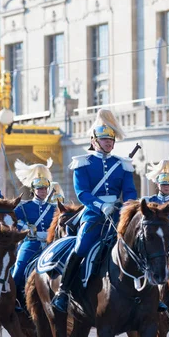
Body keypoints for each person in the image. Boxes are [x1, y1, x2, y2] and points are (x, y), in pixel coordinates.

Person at [52, 109, 137, 313]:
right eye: (105, 139)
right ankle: (63, 291)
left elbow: (130, 191)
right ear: (94, 141)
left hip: (117, 214)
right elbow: (83, 193)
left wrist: (129, 207)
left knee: (138, 245)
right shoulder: (83, 163)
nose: (109, 143)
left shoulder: (121, 164)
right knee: (82, 246)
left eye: (111, 139)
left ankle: (149, 292)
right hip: (94, 213)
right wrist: (101, 205)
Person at [12, 158, 57, 309]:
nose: (42, 191)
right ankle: (15, 300)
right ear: (33, 190)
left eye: (45, 188)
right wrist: (25, 227)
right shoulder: (24, 206)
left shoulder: (53, 208)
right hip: (31, 243)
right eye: (39, 189)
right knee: (18, 270)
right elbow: (13, 222)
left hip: (50, 245)